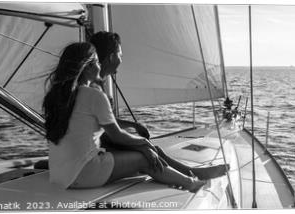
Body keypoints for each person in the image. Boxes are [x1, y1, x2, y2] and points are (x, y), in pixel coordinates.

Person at [42, 42, 208, 192]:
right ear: (87, 67)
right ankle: (190, 183)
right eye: (98, 62)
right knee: (145, 159)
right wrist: (144, 144)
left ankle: (185, 177)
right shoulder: (93, 95)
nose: (100, 66)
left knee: (139, 158)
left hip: (60, 176)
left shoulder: (56, 96)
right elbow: (117, 135)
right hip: (85, 174)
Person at [89, 31, 229, 180]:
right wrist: (139, 138)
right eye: (120, 55)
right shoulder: (94, 90)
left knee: (153, 149)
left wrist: (135, 126)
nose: (121, 60)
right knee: (149, 151)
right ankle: (192, 176)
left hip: (101, 143)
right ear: (111, 57)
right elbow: (112, 131)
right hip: (100, 148)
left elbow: (106, 122)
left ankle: (191, 173)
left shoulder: (92, 86)